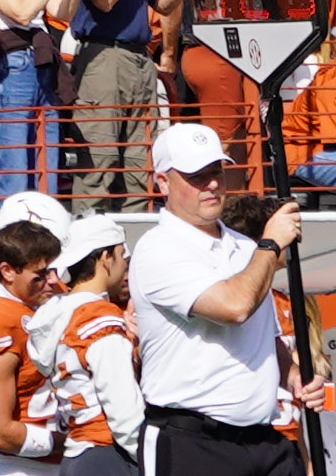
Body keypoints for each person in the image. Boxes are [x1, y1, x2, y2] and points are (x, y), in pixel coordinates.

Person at [126, 128, 299, 476]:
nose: (212, 184)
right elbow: (234, 308)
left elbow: (264, 335)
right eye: (195, 176)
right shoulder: (158, 248)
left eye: (216, 171)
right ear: (163, 182)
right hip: (191, 441)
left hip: (265, 438)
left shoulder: (245, 248)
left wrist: (293, 375)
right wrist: (271, 244)